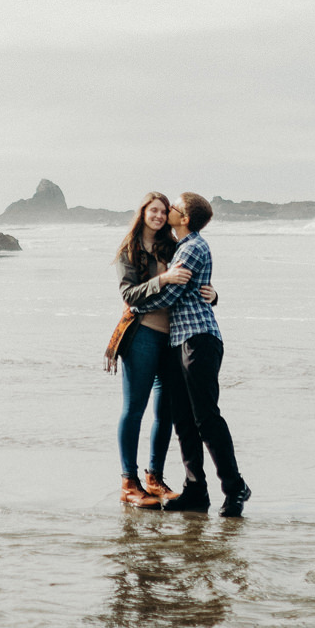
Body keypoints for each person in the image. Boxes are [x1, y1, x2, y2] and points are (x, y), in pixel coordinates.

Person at [139, 193, 250, 517]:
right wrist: (212, 293)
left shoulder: (191, 247)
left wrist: (133, 304)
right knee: (185, 421)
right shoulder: (182, 246)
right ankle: (195, 491)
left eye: (174, 207)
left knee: (205, 418)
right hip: (180, 342)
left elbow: (170, 293)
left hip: (198, 340)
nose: (169, 210)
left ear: (184, 218)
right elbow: (194, 288)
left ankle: (234, 486)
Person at [106, 193, 217, 508]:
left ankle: (154, 478)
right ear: (142, 213)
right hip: (142, 334)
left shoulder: (174, 246)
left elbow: (191, 284)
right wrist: (163, 278)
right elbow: (129, 294)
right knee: (134, 409)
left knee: (165, 412)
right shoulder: (129, 251)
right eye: (152, 210)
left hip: (175, 339)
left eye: (163, 210)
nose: (158, 215)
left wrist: (213, 294)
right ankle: (129, 482)